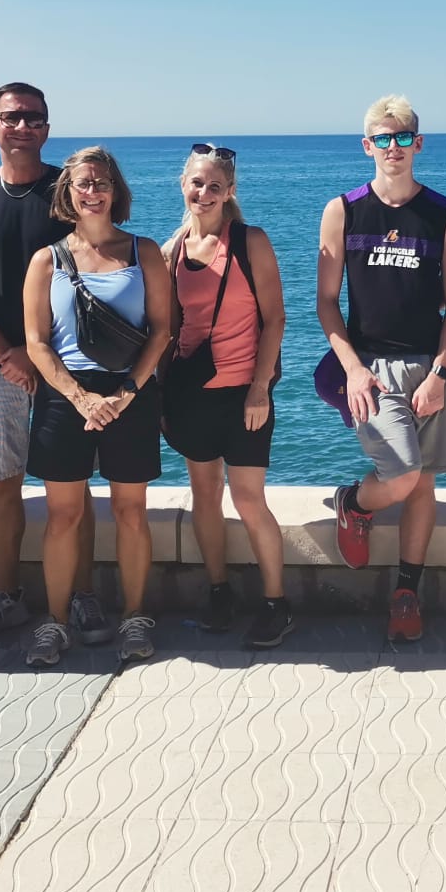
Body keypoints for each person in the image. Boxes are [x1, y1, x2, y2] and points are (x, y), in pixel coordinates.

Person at [0, 83, 113, 647]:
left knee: (72, 488)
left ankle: (82, 595)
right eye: (10, 118)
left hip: (67, 368)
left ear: (46, 127)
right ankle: (6, 594)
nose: (21, 127)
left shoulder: (67, 193)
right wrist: (6, 353)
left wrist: (43, 359)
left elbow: (91, 270)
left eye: (32, 118)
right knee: (1, 484)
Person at [319, 95, 446, 644]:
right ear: (367, 146)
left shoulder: (442, 212)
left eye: (402, 138)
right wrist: (353, 370)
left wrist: (442, 373)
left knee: (422, 482)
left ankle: (407, 591)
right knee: (402, 474)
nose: (393, 148)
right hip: (372, 369)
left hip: (429, 366)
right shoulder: (345, 210)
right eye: (382, 138)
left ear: (418, 144)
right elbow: (327, 303)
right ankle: (353, 502)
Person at [20, 147, 173, 667]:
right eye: (83, 183)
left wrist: (126, 392)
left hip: (131, 391)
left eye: (102, 182)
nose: (93, 192)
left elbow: (162, 330)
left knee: (131, 512)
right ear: (67, 192)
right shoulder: (47, 260)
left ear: (116, 190)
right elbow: (37, 342)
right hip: (68, 398)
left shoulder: (143, 251)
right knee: (63, 516)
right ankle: (55, 622)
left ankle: (135, 616)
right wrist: (80, 396)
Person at [162, 144, 293, 648]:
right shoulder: (172, 250)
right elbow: (170, 330)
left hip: (244, 395)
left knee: (247, 498)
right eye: (197, 183)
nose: (204, 192)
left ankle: (276, 603)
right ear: (184, 185)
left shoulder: (249, 241)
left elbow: (276, 317)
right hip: (191, 394)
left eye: (215, 185)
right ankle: (219, 591)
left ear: (230, 191)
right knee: (204, 495)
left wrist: (260, 388)